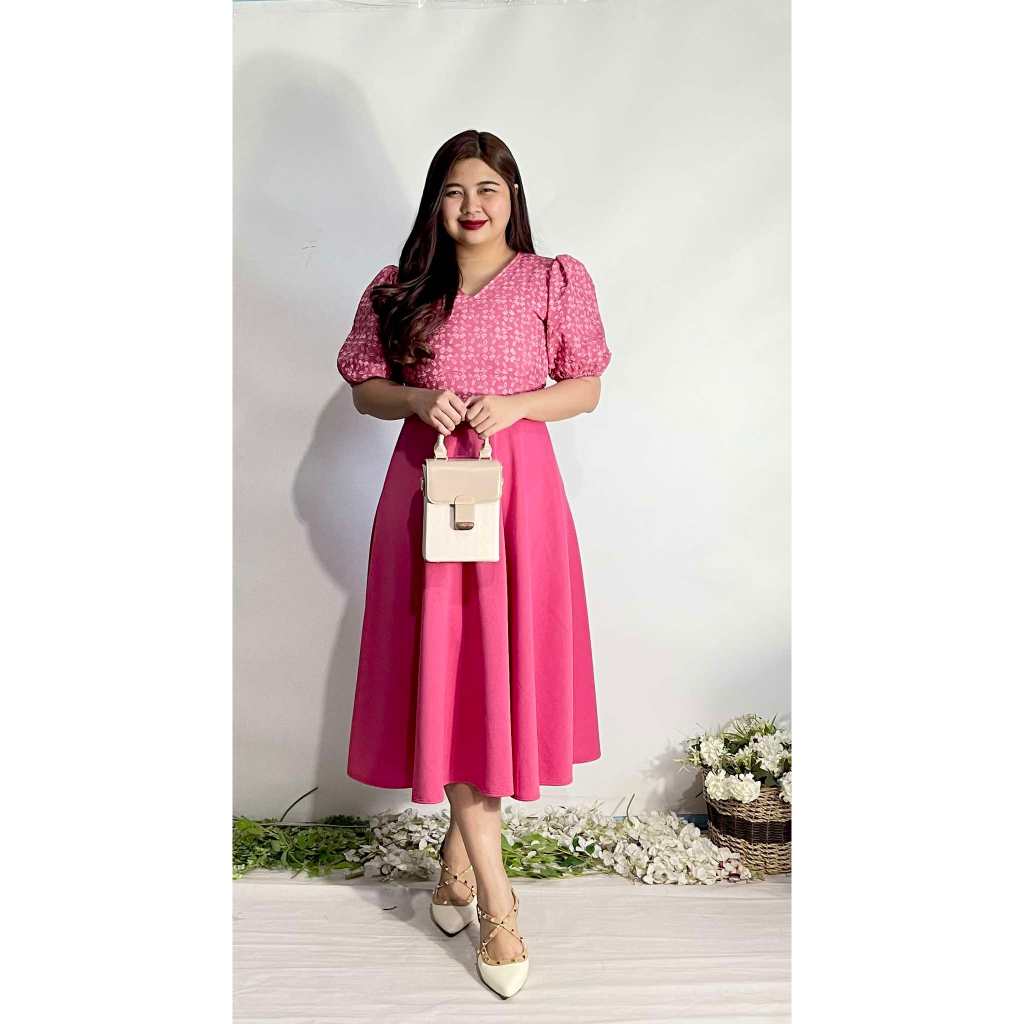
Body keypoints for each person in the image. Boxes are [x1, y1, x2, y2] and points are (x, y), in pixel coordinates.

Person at [336, 130, 611, 999]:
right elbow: (365, 388)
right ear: (435, 202)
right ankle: (497, 900)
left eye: (488, 188)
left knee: (491, 671)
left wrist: (517, 405)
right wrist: (419, 397)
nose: (472, 206)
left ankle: (456, 866)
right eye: (455, 191)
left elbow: (586, 385)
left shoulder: (553, 280)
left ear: (512, 196)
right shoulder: (399, 286)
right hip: (427, 494)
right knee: (448, 668)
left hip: (518, 495)